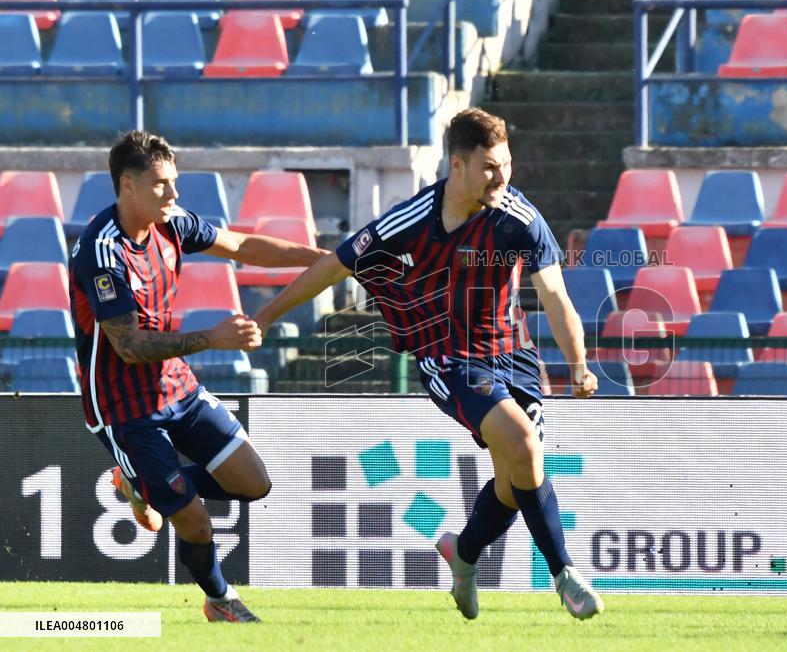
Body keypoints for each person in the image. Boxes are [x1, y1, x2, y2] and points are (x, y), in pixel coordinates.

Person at [252, 108, 605, 620]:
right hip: (449, 355)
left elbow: (555, 296)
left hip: (515, 354)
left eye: (506, 163)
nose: (502, 177)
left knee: (513, 481)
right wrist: (264, 317)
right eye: (489, 166)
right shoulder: (414, 216)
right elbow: (333, 265)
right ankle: (565, 575)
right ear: (457, 166)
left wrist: (579, 364)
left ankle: (462, 555)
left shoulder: (521, 217)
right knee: (525, 446)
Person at [68, 131, 328, 623]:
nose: (174, 195)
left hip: (177, 387)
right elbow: (128, 346)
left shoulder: (171, 224)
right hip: (124, 406)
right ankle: (221, 599)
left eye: (175, 183)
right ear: (127, 186)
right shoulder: (102, 253)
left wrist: (318, 260)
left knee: (255, 483)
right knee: (195, 522)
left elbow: (243, 244)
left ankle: (141, 484)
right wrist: (213, 338)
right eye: (161, 184)